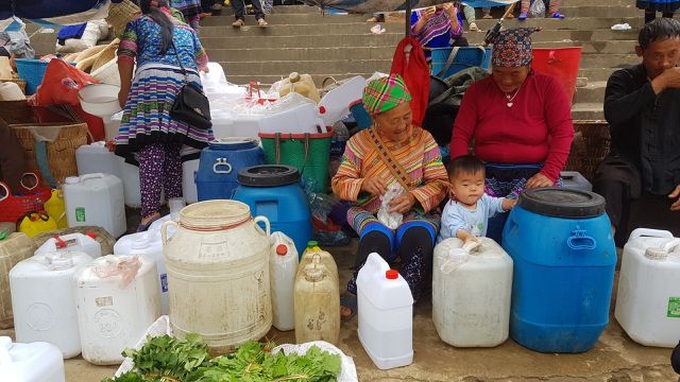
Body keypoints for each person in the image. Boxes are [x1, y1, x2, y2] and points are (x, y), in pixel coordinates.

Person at [331, 74, 448, 320]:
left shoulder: (424, 140)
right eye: (395, 120)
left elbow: (440, 183)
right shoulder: (358, 144)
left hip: (416, 211)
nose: (404, 125)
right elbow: (339, 184)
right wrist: (362, 183)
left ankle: (407, 293)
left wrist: (415, 197)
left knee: (418, 237)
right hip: (370, 211)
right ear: (374, 118)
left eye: (407, 117)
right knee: (377, 239)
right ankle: (359, 290)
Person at [450, 27, 574, 241]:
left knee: (530, 217)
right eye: (498, 72)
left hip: (534, 173)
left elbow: (564, 132)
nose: (506, 80)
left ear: (529, 66)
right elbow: (460, 135)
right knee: (478, 214)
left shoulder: (548, 87)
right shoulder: (477, 92)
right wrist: (462, 176)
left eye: (515, 73)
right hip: (485, 173)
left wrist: (549, 173)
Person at [115, 0, 212, 232]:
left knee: (151, 144)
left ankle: (149, 213)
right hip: (186, 88)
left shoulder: (137, 22)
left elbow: (126, 54)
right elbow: (203, 61)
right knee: (172, 146)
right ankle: (174, 205)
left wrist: (124, 89)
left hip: (153, 83)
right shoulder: (186, 28)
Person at [593, 18, 680, 245]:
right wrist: (658, 84)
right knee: (611, 179)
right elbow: (614, 113)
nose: (665, 63)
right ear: (640, 51)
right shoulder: (623, 78)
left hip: (673, 164)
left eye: (673, 54)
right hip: (628, 162)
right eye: (657, 55)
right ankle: (603, 249)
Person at [438, 155, 516, 245]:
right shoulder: (452, 209)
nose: (473, 188)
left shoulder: (483, 199)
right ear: (453, 189)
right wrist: (466, 237)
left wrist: (512, 203)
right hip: (451, 250)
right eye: (466, 185)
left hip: (473, 245)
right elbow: (455, 228)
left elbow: (497, 203)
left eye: (478, 184)